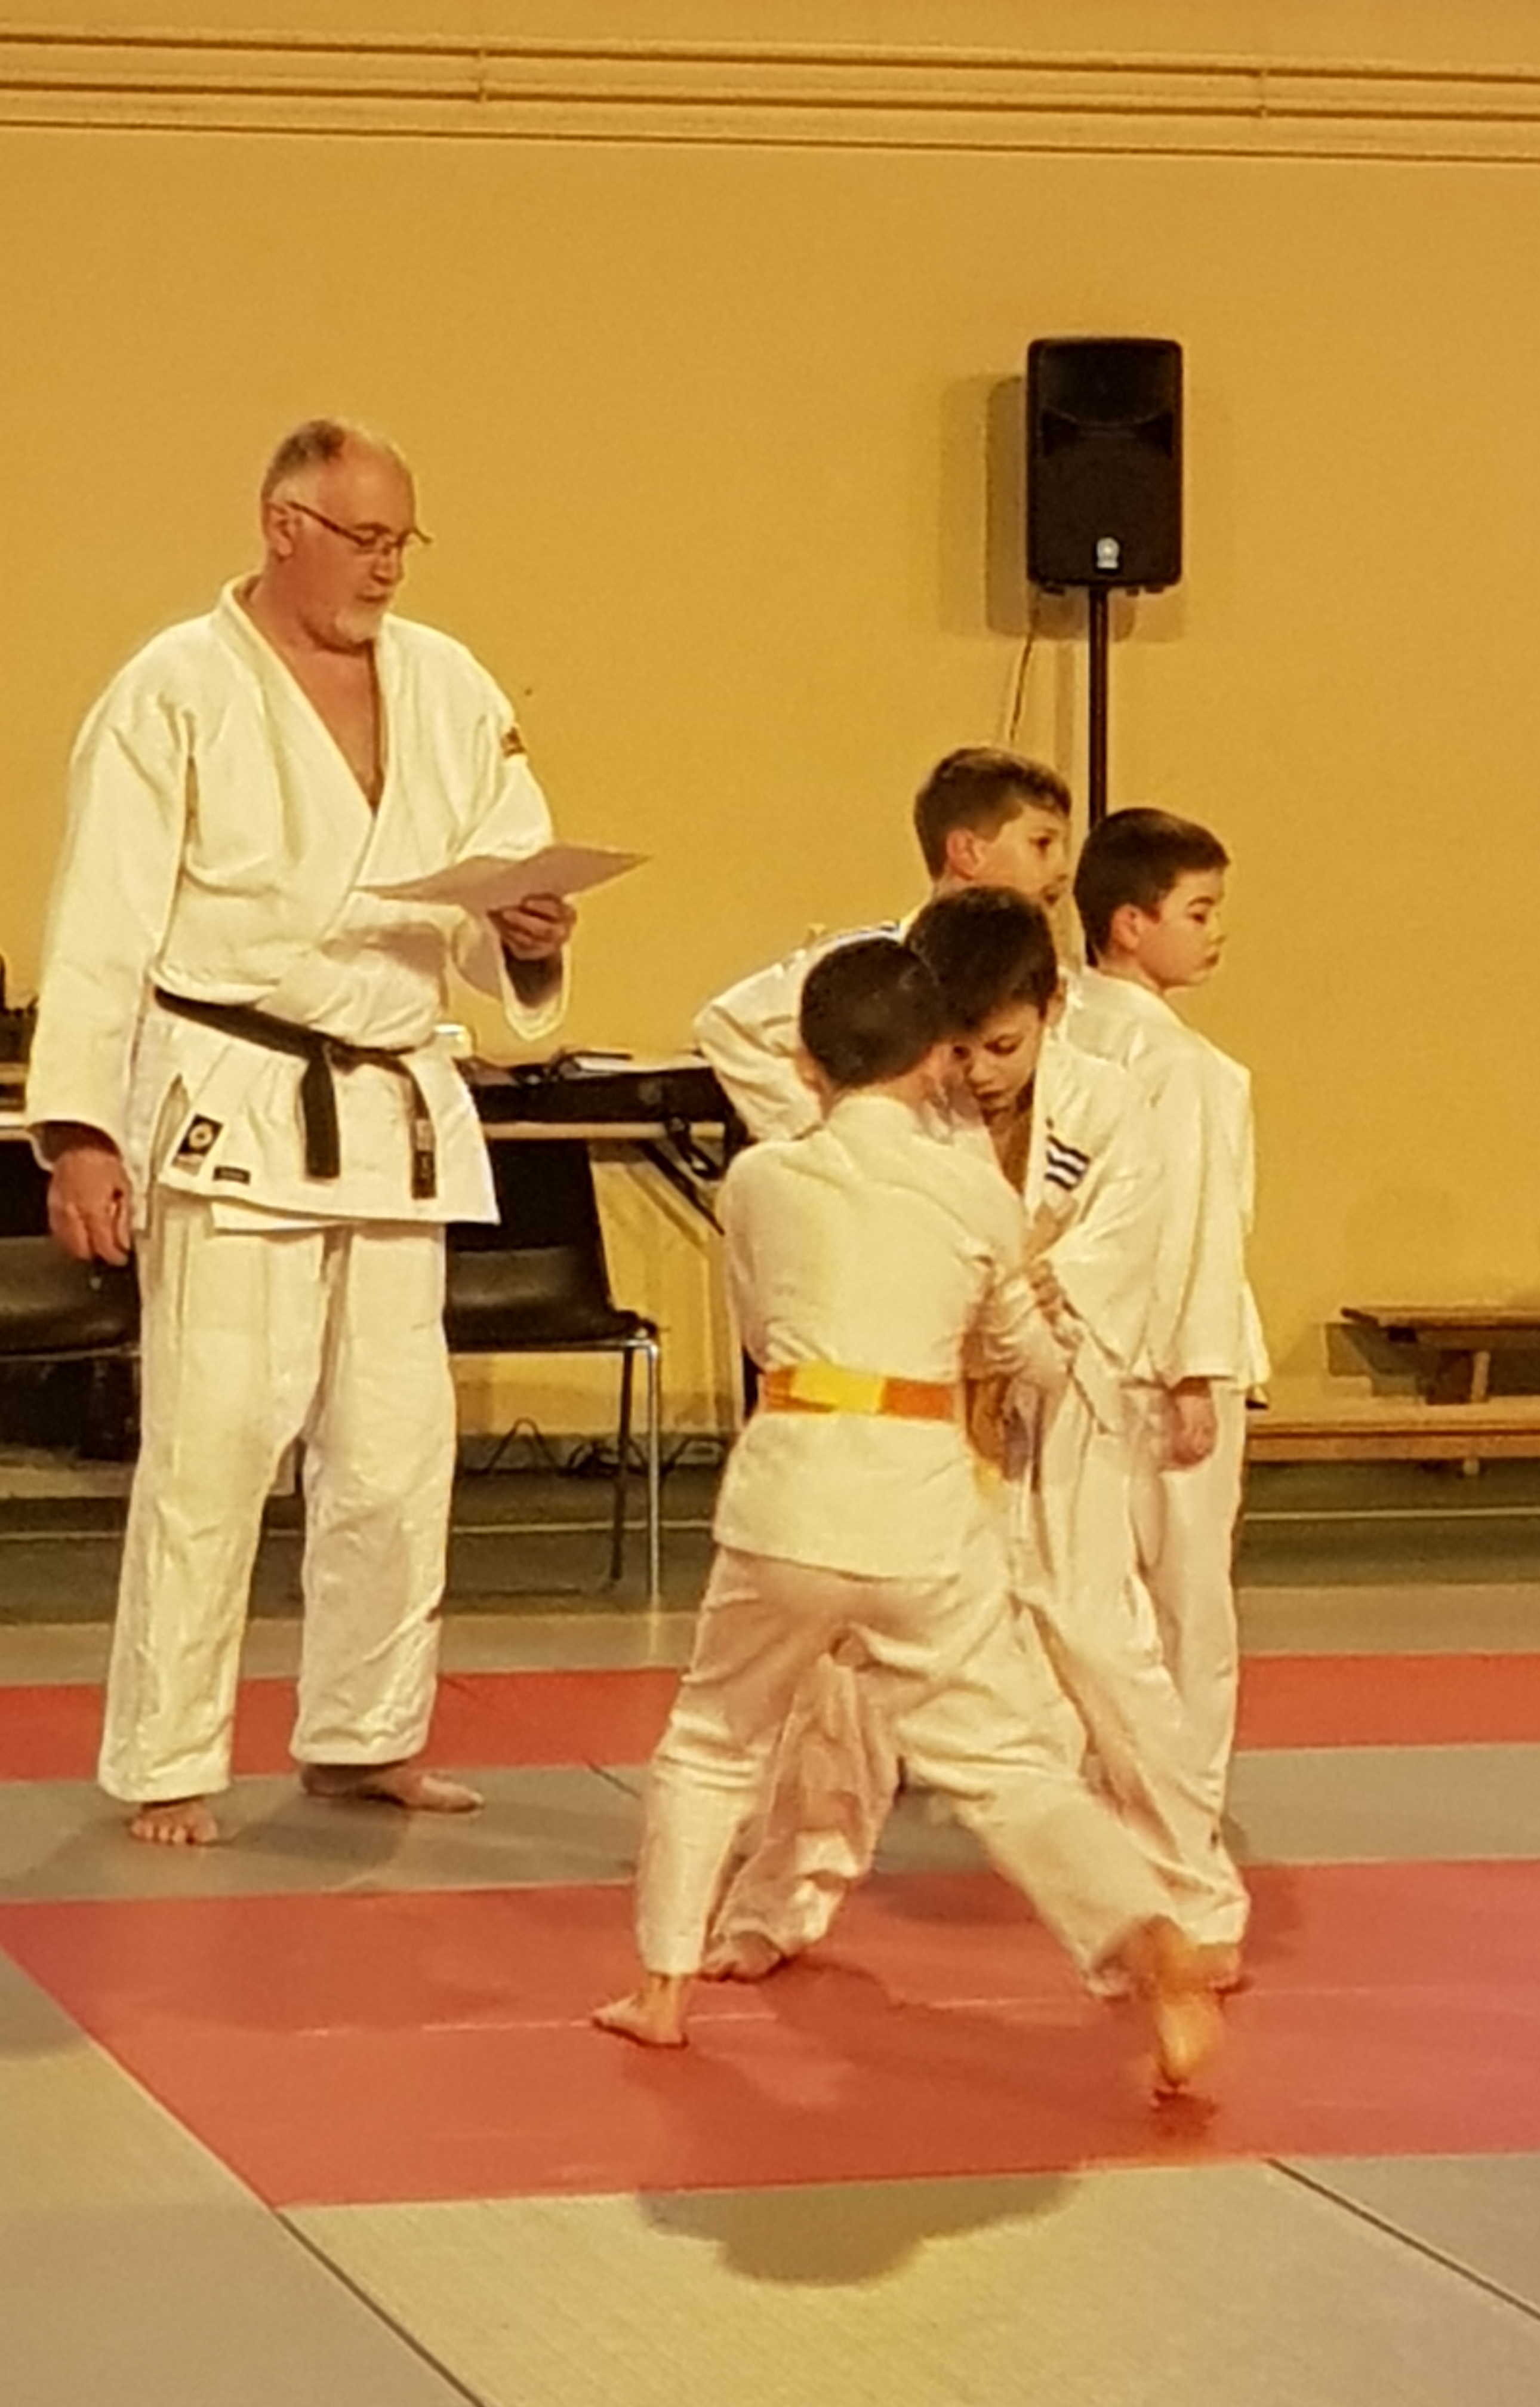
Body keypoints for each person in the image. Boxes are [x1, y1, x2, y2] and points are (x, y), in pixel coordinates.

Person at [26, 418, 577, 1847]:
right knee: (213, 1444)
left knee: (397, 1449)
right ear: (284, 527)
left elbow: (497, 881)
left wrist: (524, 930)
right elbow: (102, 916)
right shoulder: (175, 686)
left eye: (403, 541)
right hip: (235, 1094)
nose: (388, 568)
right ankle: (167, 1757)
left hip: (391, 1105)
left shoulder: (449, 684)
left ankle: (364, 1735)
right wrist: (79, 1130)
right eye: (364, 539)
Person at [594, 938, 1221, 2091]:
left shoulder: (761, 1181)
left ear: (804, 1061)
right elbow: (1025, 1355)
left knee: (714, 1737)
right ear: (937, 1059)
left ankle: (663, 1986)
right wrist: (1009, 1319)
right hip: (919, 1502)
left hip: (792, 1485)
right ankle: (1145, 1937)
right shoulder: (976, 1194)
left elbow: (760, 1331)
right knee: (1008, 1763)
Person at [708, 889, 1249, 1981]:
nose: (980, 1072)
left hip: (1060, 1408)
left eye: (1003, 1045)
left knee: (1103, 1651)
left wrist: (1036, 1292)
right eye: (956, 1048)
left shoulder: (1115, 1107)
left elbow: (1127, 1248)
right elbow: (744, 1029)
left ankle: (1194, 1900)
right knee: (845, 1671)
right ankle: (781, 1898)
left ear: (1053, 1011)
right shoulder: (901, 1110)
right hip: (922, 1420)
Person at [1063, 809, 1268, 1829]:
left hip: (1078, 1353)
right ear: (1129, 923)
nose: (1215, 930)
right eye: (1198, 910)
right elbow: (1193, 1224)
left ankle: (1101, 1789)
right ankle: (1181, 1804)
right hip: (1170, 1354)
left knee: (1094, 1591)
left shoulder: (1058, 1028)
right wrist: (1196, 1369)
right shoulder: (1183, 1067)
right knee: (1189, 1599)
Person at [693, 745, 1072, 1143]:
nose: (1062, 869)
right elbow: (727, 1027)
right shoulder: (876, 969)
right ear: (967, 852)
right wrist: (828, 1137)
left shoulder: (1057, 986)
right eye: (1042, 844)